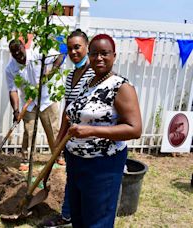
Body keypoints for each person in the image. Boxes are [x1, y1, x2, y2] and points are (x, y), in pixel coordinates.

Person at [62, 34, 142, 227]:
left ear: (114, 56)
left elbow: (135, 129)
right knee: (79, 218)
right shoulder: (88, 84)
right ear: (89, 56)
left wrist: (91, 131)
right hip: (76, 161)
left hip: (102, 165)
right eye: (94, 54)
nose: (99, 58)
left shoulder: (120, 86)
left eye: (104, 53)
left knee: (97, 221)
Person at [39, 29, 94, 228]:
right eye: (70, 48)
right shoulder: (71, 76)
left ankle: (83, 218)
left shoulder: (94, 74)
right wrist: (58, 142)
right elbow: (67, 111)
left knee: (87, 183)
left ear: (87, 47)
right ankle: (67, 215)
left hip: (90, 141)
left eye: (77, 47)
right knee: (72, 179)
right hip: (72, 141)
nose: (73, 52)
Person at [5, 39, 62, 166]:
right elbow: (13, 90)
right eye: (14, 54)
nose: (18, 56)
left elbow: (59, 56)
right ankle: (26, 159)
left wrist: (52, 72)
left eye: (19, 52)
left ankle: (57, 155)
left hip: (47, 99)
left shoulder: (38, 53)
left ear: (23, 47)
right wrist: (16, 111)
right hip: (29, 102)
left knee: (53, 129)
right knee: (28, 130)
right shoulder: (10, 68)